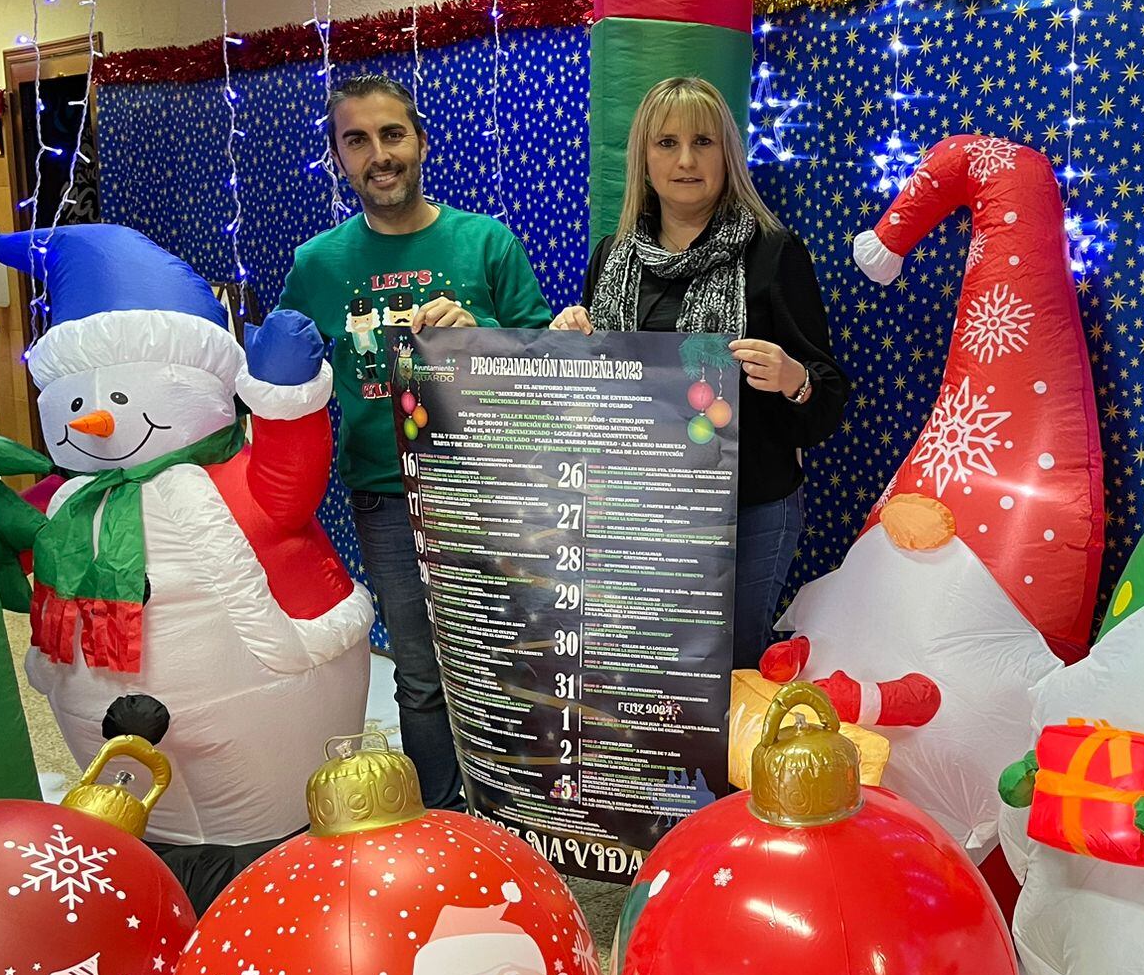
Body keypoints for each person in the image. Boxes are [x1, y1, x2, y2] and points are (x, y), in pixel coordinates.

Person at [279, 75, 552, 811]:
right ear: (339, 156)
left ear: (421, 142)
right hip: (389, 497)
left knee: (514, 656)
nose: (379, 155)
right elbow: (282, 380)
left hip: (497, 492)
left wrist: (479, 339)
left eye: (391, 135)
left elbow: (546, 368)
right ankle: (443, 814)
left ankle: (526, 809)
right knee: (422, 672)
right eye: (357, 140)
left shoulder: (485, 242)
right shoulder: (316, 266)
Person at [552, 76, 848, 668]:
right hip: (636, 516)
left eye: (703, 142)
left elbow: (829, 399)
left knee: (730, 677)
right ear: (644, 158)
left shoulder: (772, 252)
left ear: (727, 155)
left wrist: (795, 378)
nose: (685, 159)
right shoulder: (612, 258)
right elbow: (594, 402)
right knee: (643, 675)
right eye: (666, 143)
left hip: (748, 515)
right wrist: (572, 346)